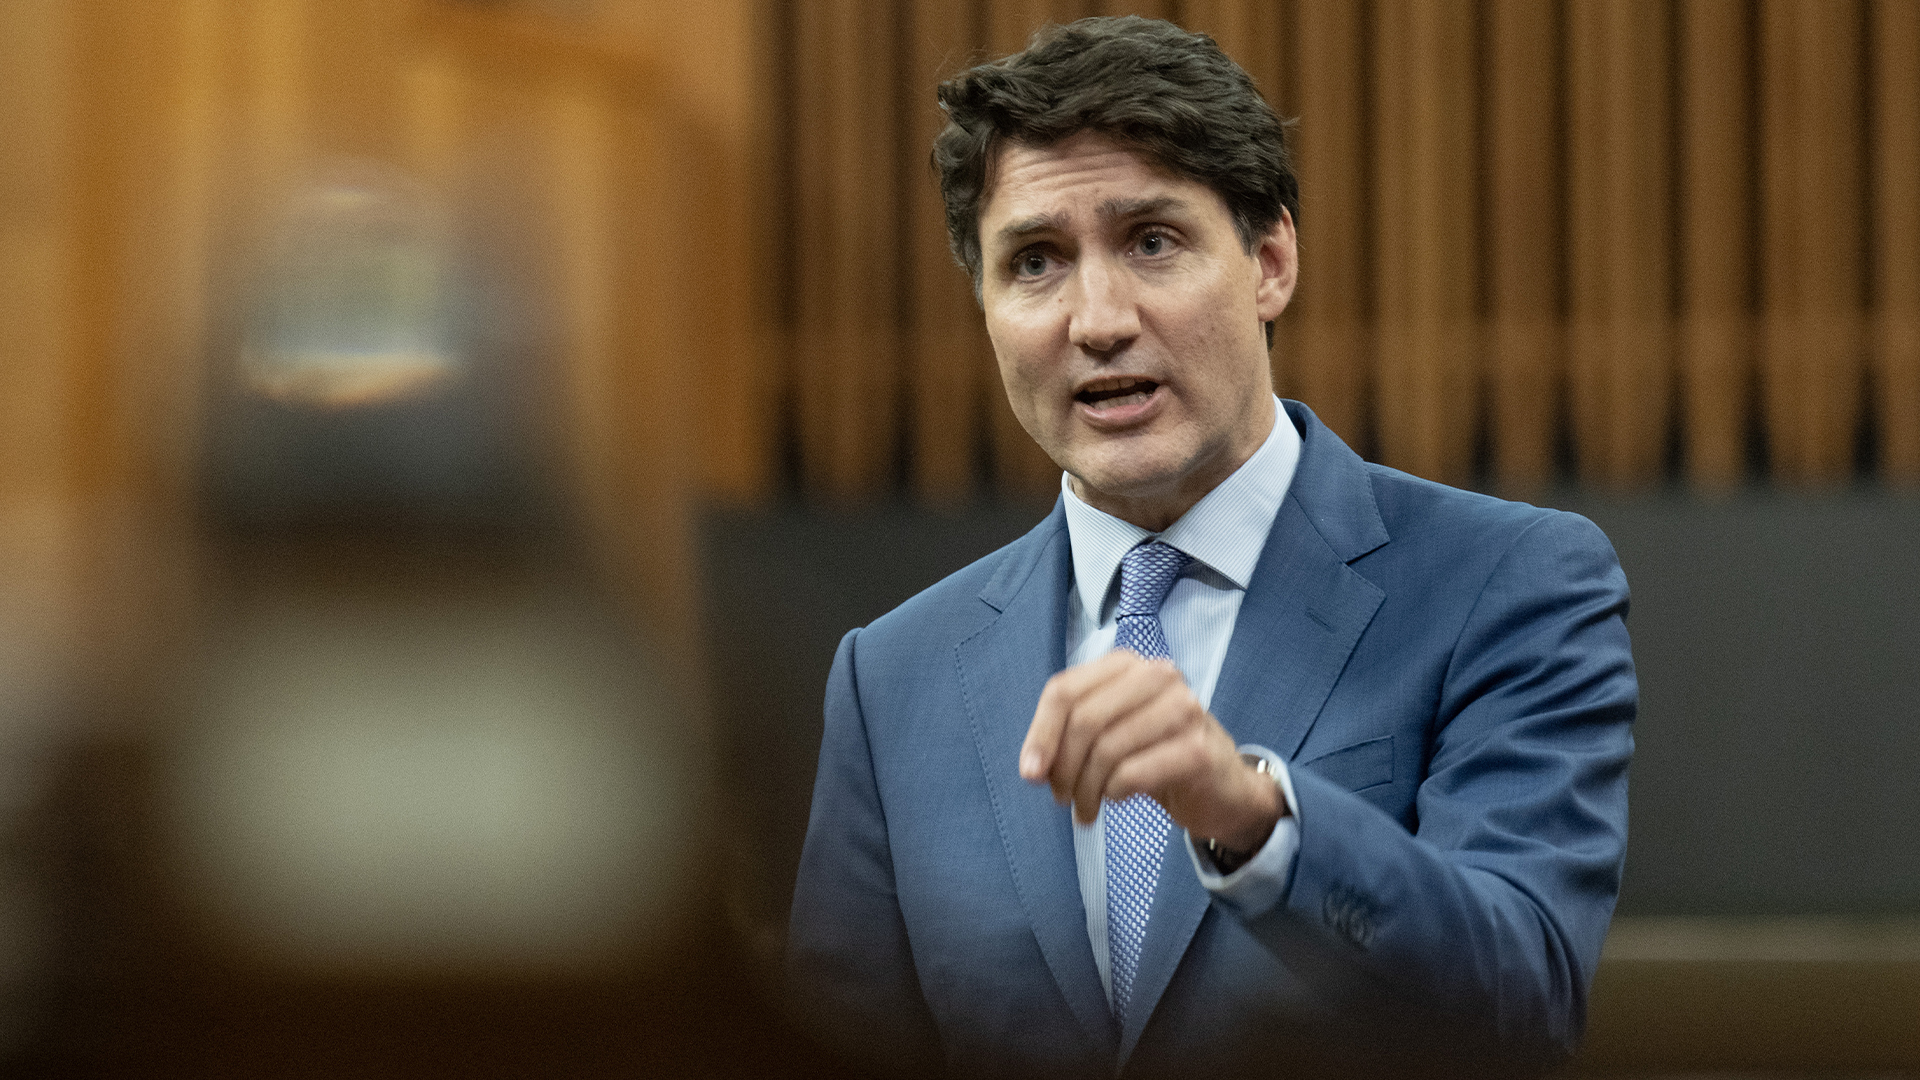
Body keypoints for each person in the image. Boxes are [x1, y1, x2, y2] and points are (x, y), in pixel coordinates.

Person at [787, 16, 1634, 1079]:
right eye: (1036, 261)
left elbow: (1523, 1007)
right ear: (987, 308)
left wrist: (1255, 818)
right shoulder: (891, 676)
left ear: (1270, 261)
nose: (1097, 319)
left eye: (1152, 240)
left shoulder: (1507, 583)